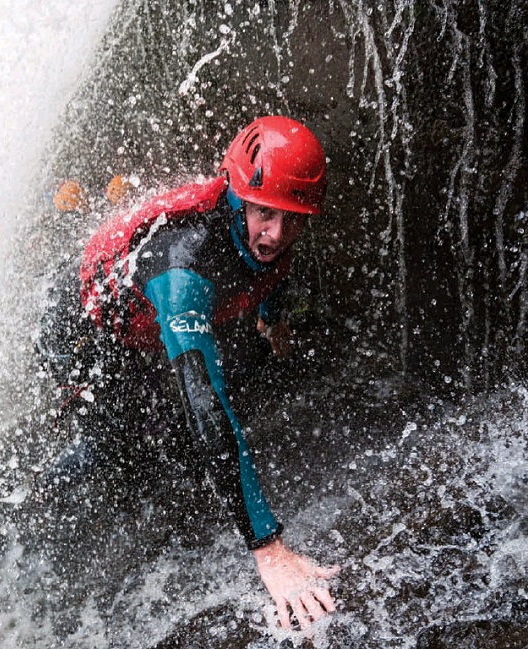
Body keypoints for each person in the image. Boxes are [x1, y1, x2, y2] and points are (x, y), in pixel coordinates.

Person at [36, 115, 340, 631]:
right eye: (265, 214)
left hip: (143, 312)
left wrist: (274, 318)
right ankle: (38, 495)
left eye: (294, 219)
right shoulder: (184, 269)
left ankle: (98, 200)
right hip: (84, 333)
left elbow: (271, 266)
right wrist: (268, 547)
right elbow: (206, 400)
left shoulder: (265, 227)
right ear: (239, 198)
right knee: (121, 456)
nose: (277, 234)